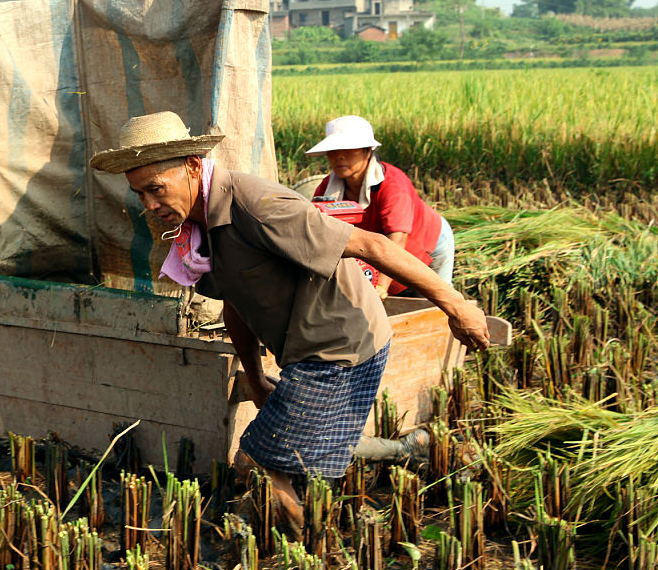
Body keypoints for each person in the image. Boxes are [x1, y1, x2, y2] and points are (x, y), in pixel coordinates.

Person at [89, 111, 489, 535]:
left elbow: (372, 244)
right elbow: (235, 304)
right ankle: (410, 449)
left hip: (340, 344)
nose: (150, 206)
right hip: (306, 350)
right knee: (304, 446)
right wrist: (255, 374)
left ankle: (310, 552)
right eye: (140, 195)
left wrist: (457, 306)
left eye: (155, 189)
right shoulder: (198, 228)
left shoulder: (257, 206)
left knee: (257, 462)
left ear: (191, 166)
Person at [307, 115, 453, 300]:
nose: (339, 156)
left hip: (426, 240)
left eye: (348, 149)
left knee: (433, 298)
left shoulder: (392, 185)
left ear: (368, 151)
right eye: (333, 150)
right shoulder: (327, 189)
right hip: (379, 248)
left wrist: (382, 285)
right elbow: (321, 233)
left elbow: (397, 240)